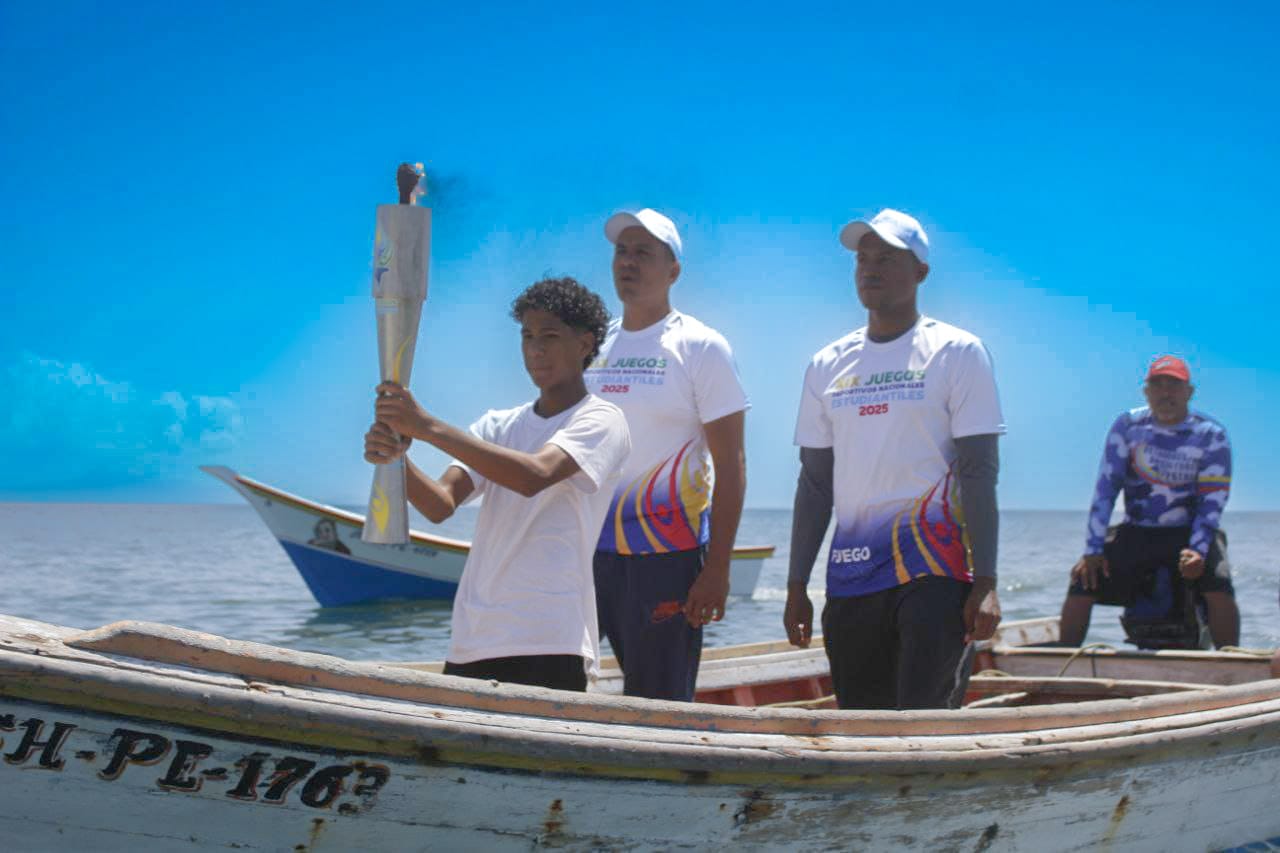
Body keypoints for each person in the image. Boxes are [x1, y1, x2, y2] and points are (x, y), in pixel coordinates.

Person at [363, 277, 631, 691]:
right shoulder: (497, 425)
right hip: (475, 638)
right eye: (527, 336)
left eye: (550, 335)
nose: (536, 349)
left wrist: (427, 427)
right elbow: (440, 504)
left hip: (550, 640)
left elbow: (533, 476)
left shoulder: (601, 420)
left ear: (584, 343)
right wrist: (399, 459)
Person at [784, 209, 1004, 710]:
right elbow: (815, 483)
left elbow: (979, 471)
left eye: (887, 258)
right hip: (852, 574)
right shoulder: (827, 364)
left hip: (935, 573)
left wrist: (986, 583)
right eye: (863, 259)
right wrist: (797, 585)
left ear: (921, 271)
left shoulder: (957, 352)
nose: (871, 269)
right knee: (861, 725)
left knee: (923, 726)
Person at [586, 208, 749, 701]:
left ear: (673, 270)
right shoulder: (594, 345)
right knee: (569, 682)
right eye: (621, 251)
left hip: (668, 555)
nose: (628, 263)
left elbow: (732, 466)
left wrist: (717, 568)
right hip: (591, 550)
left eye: (643, 253)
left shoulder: (700, 346)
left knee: (658, 697)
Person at [1059, 355, 1238, 648]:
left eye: (1174, 386)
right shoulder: (1128, 426)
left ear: (1189, 392)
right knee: (1083, 577)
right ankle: (1060, 661)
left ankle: (1233, 662)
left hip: (1188, 532)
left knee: (1218, 581)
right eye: (1158, 385)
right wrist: (1092, 548)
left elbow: (1213, 500)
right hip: (1138, 528)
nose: (1165, 393)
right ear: (1146, 392)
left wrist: (1198, 550)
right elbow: (1106, 488)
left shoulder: (1210, 435)